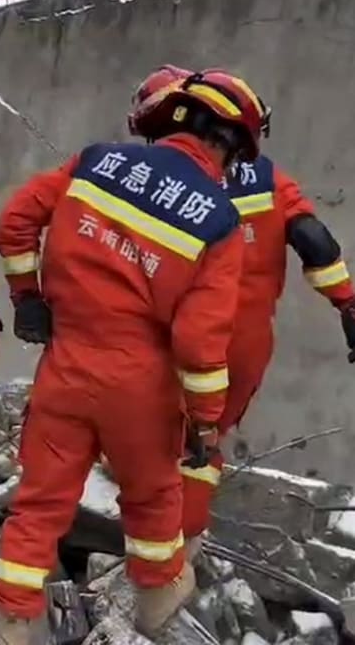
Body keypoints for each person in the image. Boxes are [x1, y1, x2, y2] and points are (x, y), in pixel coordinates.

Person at [0, 70, 267, 643]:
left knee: (39, 503)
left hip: (64, 367)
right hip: (142, 389)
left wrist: (28, 298)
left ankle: (14, 621)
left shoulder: (95, 162)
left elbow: (16, 221)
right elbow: (198, 343)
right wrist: (204, 421)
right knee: (154, 501)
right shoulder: (218, 220)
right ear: (232, 146)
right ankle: (158, 613)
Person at [128, 65, 355, 554]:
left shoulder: (156, 178)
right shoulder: (268, 178)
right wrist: (348, 305)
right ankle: (180, 549)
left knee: (147, 434)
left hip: (174, 334)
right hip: (246, 342)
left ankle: (136, 547)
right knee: (203, 447)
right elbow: (314, 241)